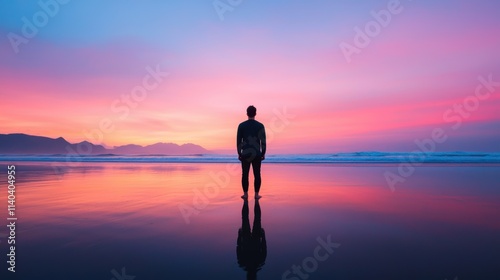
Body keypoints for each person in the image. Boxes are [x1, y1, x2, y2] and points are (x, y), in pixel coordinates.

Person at [236, 105, 266, 199]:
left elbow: (238, 141)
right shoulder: (260, 125)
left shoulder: (241, 125)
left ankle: (245, 194)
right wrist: (263, 153)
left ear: (247, 113)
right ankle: (256, 195)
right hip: (256, 153)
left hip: (245, 153)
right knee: (257, 174)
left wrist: (239, 153)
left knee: (245, 174)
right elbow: (263, 141)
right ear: (255, 113)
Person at [237, 198, 267, 280]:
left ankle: (248, 202)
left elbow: (238, 248)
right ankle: (252, 202)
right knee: (249, 218)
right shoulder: (244, 263)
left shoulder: (244, 263)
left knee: (251, 218)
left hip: (249, 239)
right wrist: (263, 236)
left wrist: (239, 236)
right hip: (253, 239)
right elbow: (264, 248)